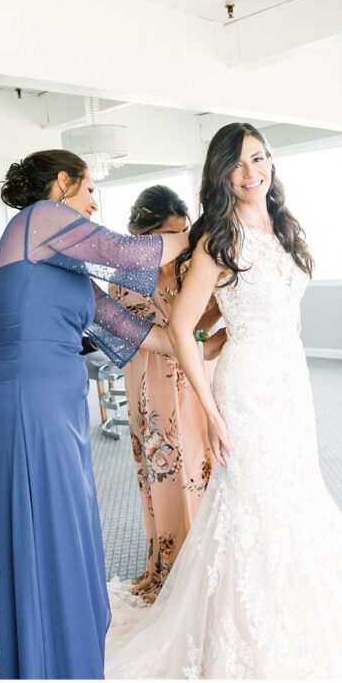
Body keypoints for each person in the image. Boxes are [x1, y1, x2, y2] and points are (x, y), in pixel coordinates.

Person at [103, 123, 342, 678]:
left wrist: (228, 328)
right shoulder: (216, 240)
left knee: (297, 496)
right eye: (239, 163)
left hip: (291, 384)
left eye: (260, 158)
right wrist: (214, 410)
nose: (252, 172)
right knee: (251, 505)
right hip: (245, 393)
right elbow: (181, 323)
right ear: (222, 173)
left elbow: (250, 306)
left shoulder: (284, 228)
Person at [0, 151, 192, 679]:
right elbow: (129, 252)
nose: (93, 204)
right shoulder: (39, 219)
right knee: (50, 529)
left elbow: (135, 334)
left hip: (58, 407)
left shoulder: (60, 260)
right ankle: (52, 662)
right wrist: (211, 228)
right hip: (28, 403)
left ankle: (70, 654)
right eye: (90, 191)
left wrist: (206, 341)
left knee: (71, 527)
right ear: (62, 183)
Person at [110, 186, 226, 602]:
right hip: (153, 382)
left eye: (181, 234)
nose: (175, 247)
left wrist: (211, 328)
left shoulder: (191, 264)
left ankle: (212, 558)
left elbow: (202, 317)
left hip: (198, 376)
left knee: (206, 466)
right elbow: (151, 336)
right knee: (166, 471)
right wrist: (198, 341)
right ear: (145, 236)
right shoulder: (125, 277)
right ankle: (173, 565)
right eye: (166, 238)